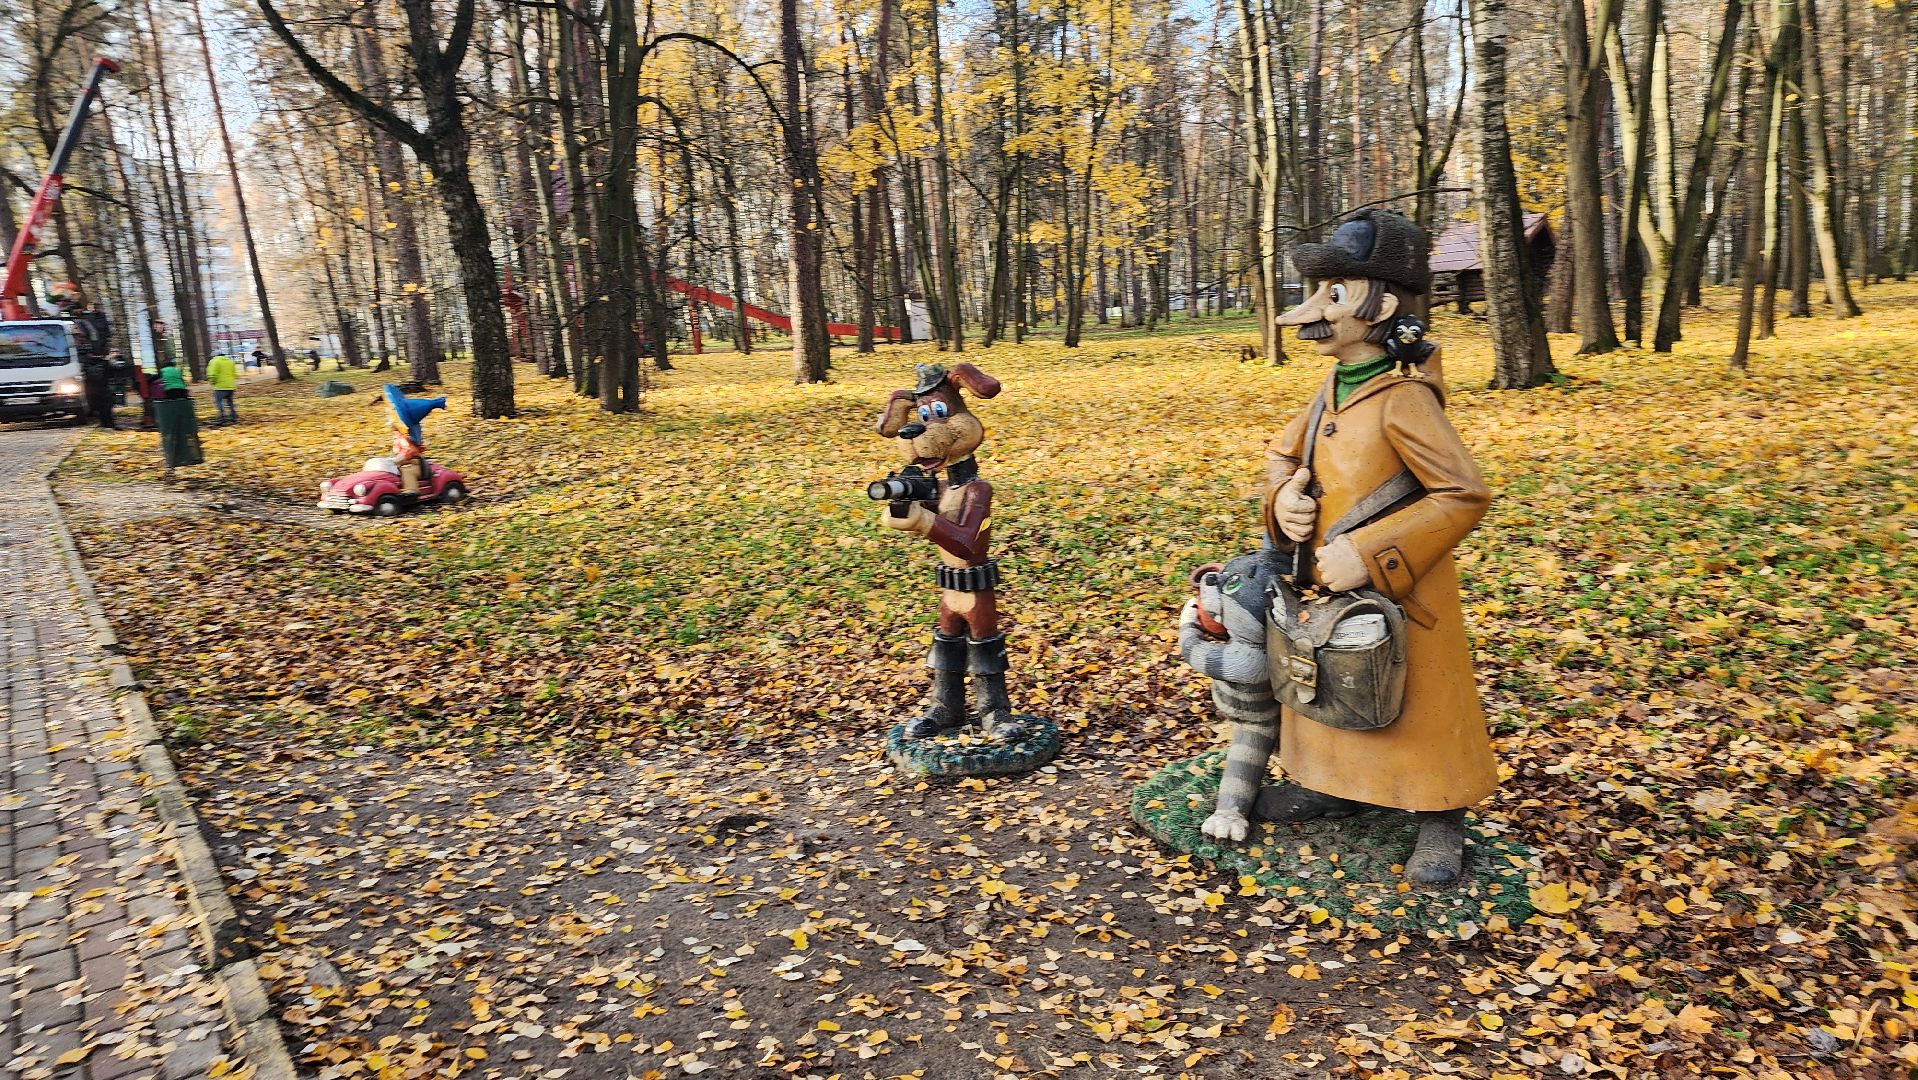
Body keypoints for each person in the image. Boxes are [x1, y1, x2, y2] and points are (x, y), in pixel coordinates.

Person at [1256, 209, 1497, 886]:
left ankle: (1440, 812)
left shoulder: (1405, 400)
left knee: (1418, 694)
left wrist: (1372, 553)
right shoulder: (1331, 388)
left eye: (1334, 293)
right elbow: (1282, 456)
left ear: (1382, 307)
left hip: (1406, 590)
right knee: (1333, 676)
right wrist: (1283, 499)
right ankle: (1334, 782)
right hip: (1326, 584)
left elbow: (1462, 493)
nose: (1314, 309)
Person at [152, 359, 203, 481]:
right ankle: (192, 456)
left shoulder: (163, 371)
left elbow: (155, 380)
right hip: (182, 393)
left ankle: (173, 461)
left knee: (171, 407)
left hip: (170, 392)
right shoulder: (176, 370)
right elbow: (182, 381)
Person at [206, 352, 239, 425]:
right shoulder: (230, 361)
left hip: (220, 386)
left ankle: (222, 418)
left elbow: (212, 374)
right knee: (230, 402)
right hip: (230, 386)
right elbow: (234, 373)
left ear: (214, 356)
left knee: (219, 402)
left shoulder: (214, 361)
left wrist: (213, 382)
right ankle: (234, 417)